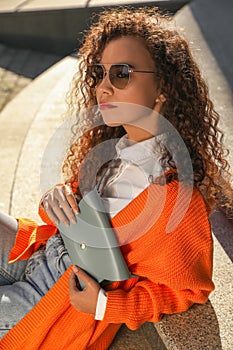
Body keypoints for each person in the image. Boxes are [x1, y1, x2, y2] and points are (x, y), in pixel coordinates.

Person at [0, 6, 232, 349]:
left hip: (55, 298)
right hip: (43, 254)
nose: (103, 88)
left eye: (121, 73)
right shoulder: (110, 151)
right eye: (100, 74)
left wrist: (105, 305)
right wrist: (57, 197)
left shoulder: (175, 197)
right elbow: (72, 214)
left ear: (162, 87)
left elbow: (187, 290)